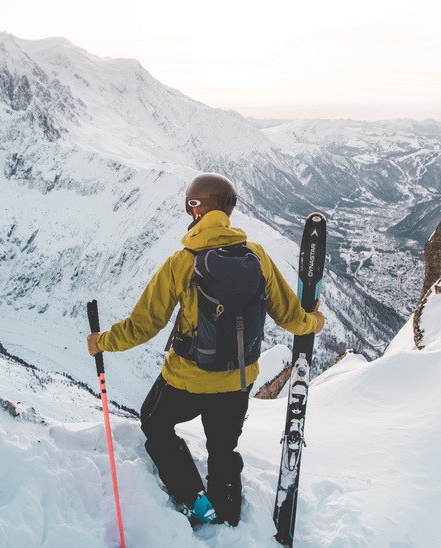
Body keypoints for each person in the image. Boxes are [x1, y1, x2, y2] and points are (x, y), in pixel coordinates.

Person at [86, 173, 325, 526]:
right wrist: (312, 324)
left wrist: (101, 341)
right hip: (239, 380)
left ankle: (193, 498)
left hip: (186, 379)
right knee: (222, 449)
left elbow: (144, 324)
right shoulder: (256, 256)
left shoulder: (182, 262)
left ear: (195, 207)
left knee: (155, 421)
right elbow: (290, 315)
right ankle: (227, 515)